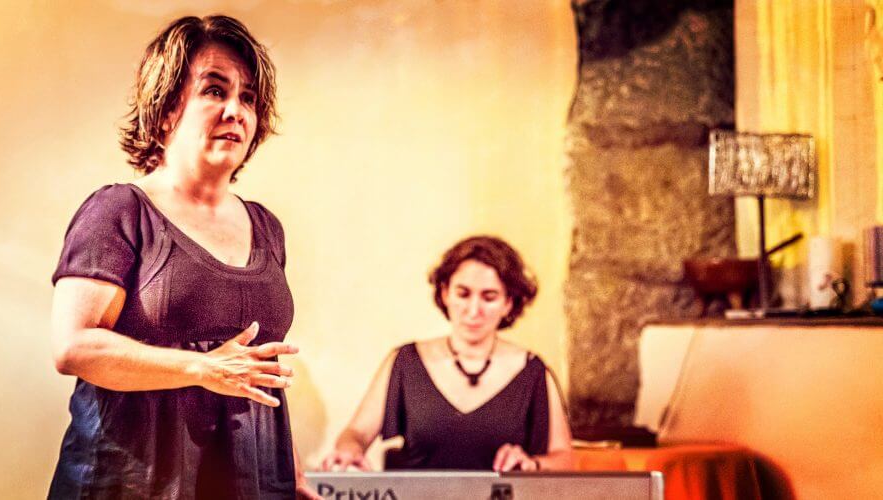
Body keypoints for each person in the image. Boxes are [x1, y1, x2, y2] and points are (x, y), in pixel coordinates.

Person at [48, 15, 318, 499]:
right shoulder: (119, 211)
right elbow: (74, 347)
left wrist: (293, 476)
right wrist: (202, 368)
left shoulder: (267, 228)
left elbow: (258, 370)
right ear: (167, 109)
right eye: (215, 90)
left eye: (248, 98)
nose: (236, 111)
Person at [321, 236, 572, 472]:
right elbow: (357, 433)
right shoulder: (406, 361)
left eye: (489, 297)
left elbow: (564, 457)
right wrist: (350, 450)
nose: (473, 310)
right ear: (445, 293)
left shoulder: (533, 371)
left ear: (509, 303)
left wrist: (533, 464)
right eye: (463, 294)